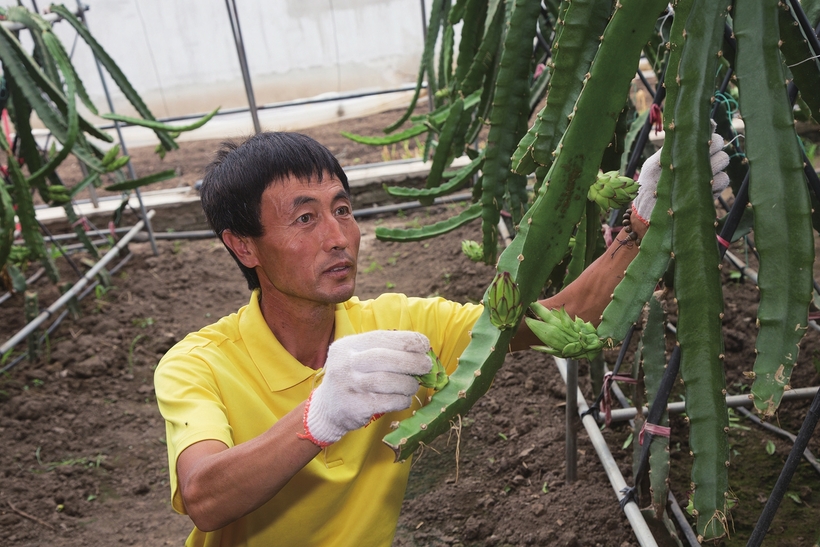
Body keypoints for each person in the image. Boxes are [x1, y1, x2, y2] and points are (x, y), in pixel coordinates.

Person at [154, 131, 728, 547]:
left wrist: (645, 220)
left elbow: (548, 319)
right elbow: (204, 497)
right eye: (305, 219)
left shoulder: (398, 324)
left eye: (343, 209)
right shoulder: (196, 365)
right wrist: (319, 416)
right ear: (244, 245)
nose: (340, 237)